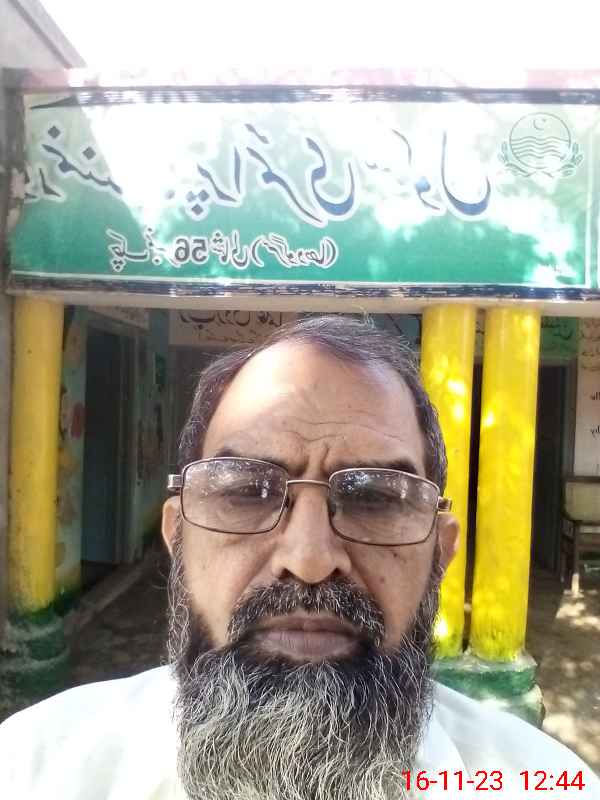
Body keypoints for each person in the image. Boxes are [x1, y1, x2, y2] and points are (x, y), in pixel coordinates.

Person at [0, 315, 597, 799]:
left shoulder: (538, 781)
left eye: (375, 498)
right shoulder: (34, 769)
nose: (309, 560)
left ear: (439, 551)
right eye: (244, 490)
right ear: (178, 536)